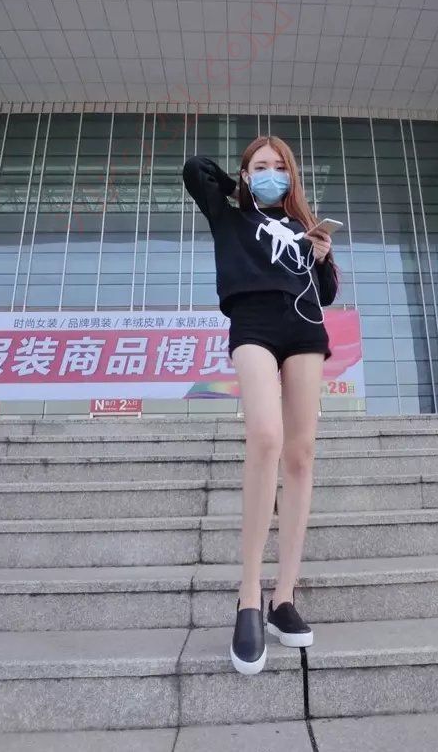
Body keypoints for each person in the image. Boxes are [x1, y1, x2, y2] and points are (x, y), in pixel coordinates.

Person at [182, 135, 340, 675]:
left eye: (281, 167)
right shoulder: (229, 217)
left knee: (301, 453)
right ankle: (248, 596)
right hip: (252, 323)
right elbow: (194, 168)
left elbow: (326, 293)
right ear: (248, 173)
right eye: (262, 166)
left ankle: (283, 598)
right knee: (266, 436)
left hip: (305, 329)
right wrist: (239, 187)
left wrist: (321, 257)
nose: (273, 173)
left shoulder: (304, 227)